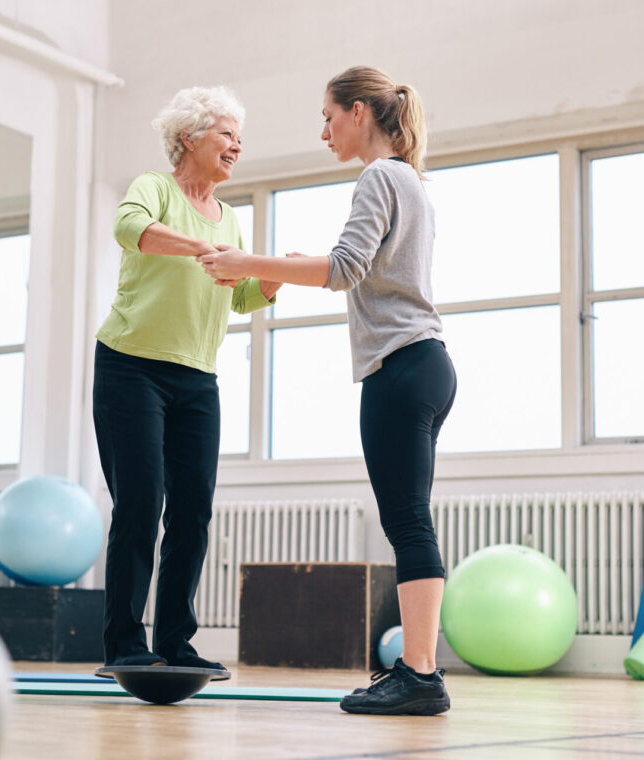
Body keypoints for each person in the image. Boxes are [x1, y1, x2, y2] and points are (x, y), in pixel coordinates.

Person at [198, 66, 456, 715]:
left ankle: (421, 675)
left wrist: (247, 262)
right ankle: (421, 672)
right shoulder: (411, 182)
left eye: (329, 116)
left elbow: (344, 269)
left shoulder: (380, 176)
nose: (323, 131)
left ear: (361, 111)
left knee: (406, 522)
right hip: (425, 362)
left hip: (400, 365)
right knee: (411, 519)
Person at [94, 86, 280, 673]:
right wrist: (202, 248)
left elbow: (240, 295)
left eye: (238, 135)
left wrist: (271, 279)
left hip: (197, 378)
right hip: (131, 367)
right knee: (140, 504)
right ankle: (125, 643)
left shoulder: (232, 218)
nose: (237, 144)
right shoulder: (155, 188)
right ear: (189, 138)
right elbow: (131, 230)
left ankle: (176, 641)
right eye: (226, 132)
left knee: (193, 510)